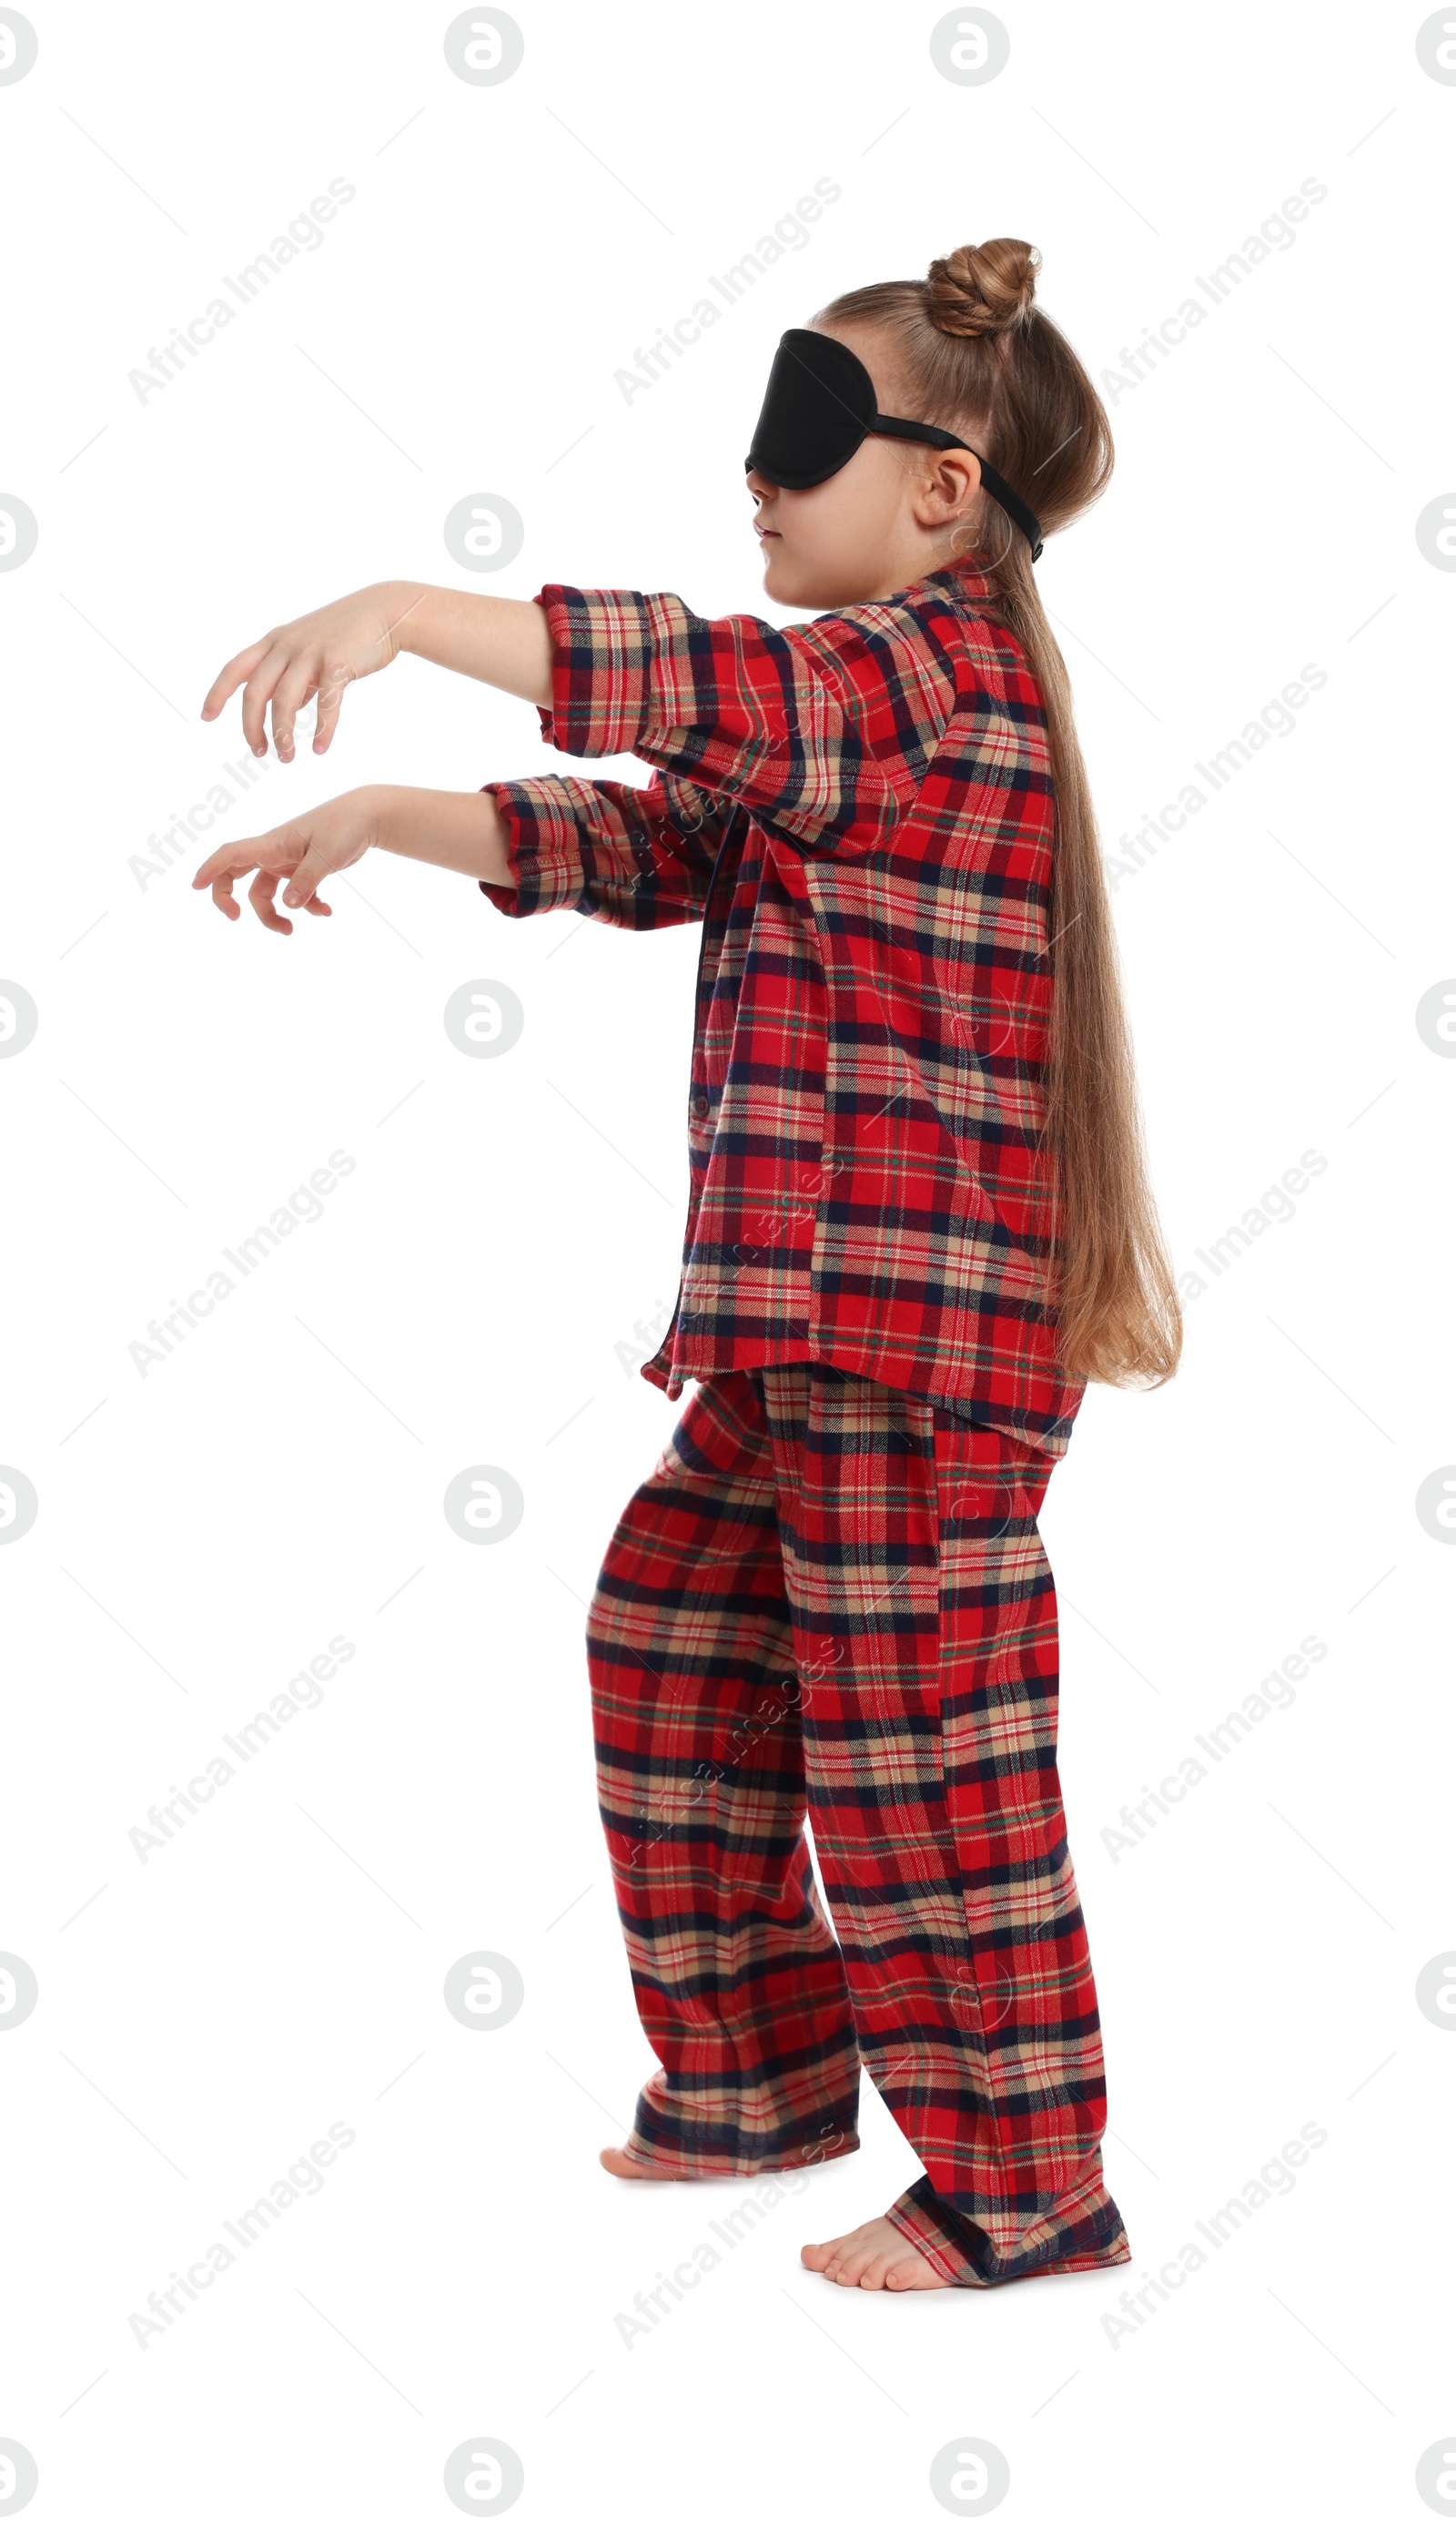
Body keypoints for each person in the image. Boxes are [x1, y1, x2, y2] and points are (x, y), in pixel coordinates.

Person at [195, 236, 1181, 2294]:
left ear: (933, 488)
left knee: (919, 1752)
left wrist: (393, 611)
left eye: (803, 435)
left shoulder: (925, 678)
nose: (755, 473)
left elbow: (695, 682)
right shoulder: (848, 727)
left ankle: (1022, 2185)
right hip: (800, 1338)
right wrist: (389, 811)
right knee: (675, 1643)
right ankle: (757, 2074)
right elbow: (657, 837)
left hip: (913, 1347)